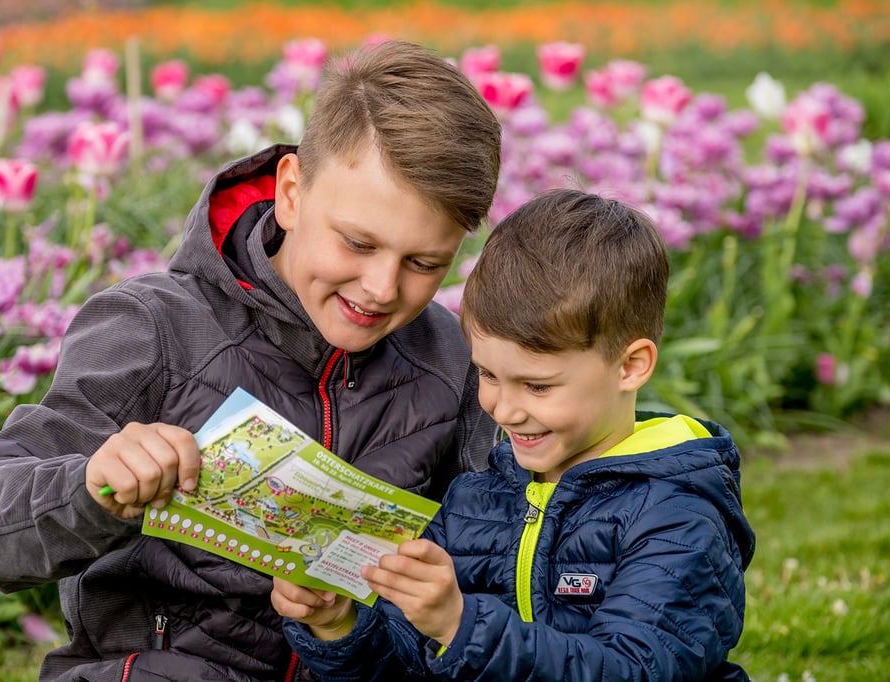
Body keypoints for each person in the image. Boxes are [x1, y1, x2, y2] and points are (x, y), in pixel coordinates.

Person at [0, 40, 502, 681]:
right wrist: (91, 485)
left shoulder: (454, 360)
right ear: (291, 192)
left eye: (423, 263)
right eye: (357, 243)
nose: (380, 287)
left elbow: (495, 551)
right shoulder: (152, 326)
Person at [274, 188, 756, 681]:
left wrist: (461, 625)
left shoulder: (676, 517)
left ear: (631, 366)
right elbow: (406, 667)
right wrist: (338, 624)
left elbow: (633, 669)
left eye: (537, 385)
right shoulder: (474, 501)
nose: (503, 408)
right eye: (487, 375)